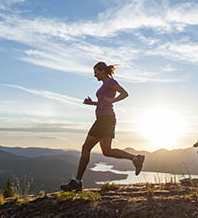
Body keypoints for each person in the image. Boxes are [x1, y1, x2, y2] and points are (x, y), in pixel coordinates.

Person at [60, 62, 145, 192]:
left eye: (96, 72)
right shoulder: (105, 85)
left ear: (102, 71)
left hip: (104, 120)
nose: (94, 75)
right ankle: (135, 158)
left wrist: (111, 101)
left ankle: (77, 182)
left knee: (86, 147)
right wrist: (92, 103)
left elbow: (124, 93)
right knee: (107, 151)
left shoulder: (110, 82)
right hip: (106, 119)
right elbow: (103, 103)